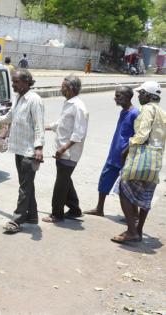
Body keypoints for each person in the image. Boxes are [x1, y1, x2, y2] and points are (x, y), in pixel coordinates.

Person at [0, 70, 45, 233]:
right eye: (13, 82)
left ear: (26, 82)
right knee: (26, 184)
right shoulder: (19, 98)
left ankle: (17, 220)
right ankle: (32, 216)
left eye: (16, 82)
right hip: (19, 149)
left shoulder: (35, 100)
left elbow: (39, 125)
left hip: (30, 150)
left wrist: (39, 148)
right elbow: (10, 116)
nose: (13, 85)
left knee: (24, 187)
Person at [111, 81, 164, 243]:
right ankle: (138, 230)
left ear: (148, 95)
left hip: (141, 156)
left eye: (141, 93)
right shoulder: (162, 112)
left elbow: (142, 135)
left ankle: (132, 231)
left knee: (123, 187)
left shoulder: (146, 110)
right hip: (156, 159)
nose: (139, 96)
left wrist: (127, 149)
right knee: (146, 195)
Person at [85, 87, 138, 216]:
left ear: (127, 96)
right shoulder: (123, 111)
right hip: (114, 154)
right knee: (104, 179)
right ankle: (99, 208)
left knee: (128, 188)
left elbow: (138, 136)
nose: (115, 98)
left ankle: (133, 215)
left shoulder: (135, 113)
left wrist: (127, 151)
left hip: (126, 156)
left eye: (118, 96)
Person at [42, 75, 89, 223]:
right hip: (62, 150)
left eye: (63, 87)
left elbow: (78, 133)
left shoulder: (79, 107)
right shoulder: (69, 103)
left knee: (61, 183)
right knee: (65, 180)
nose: (61, 89)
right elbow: (61, 124)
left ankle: (57, 214)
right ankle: (75, 210)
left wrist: (63, 149)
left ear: (70, 89)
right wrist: (44, 127)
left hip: (69, 153)